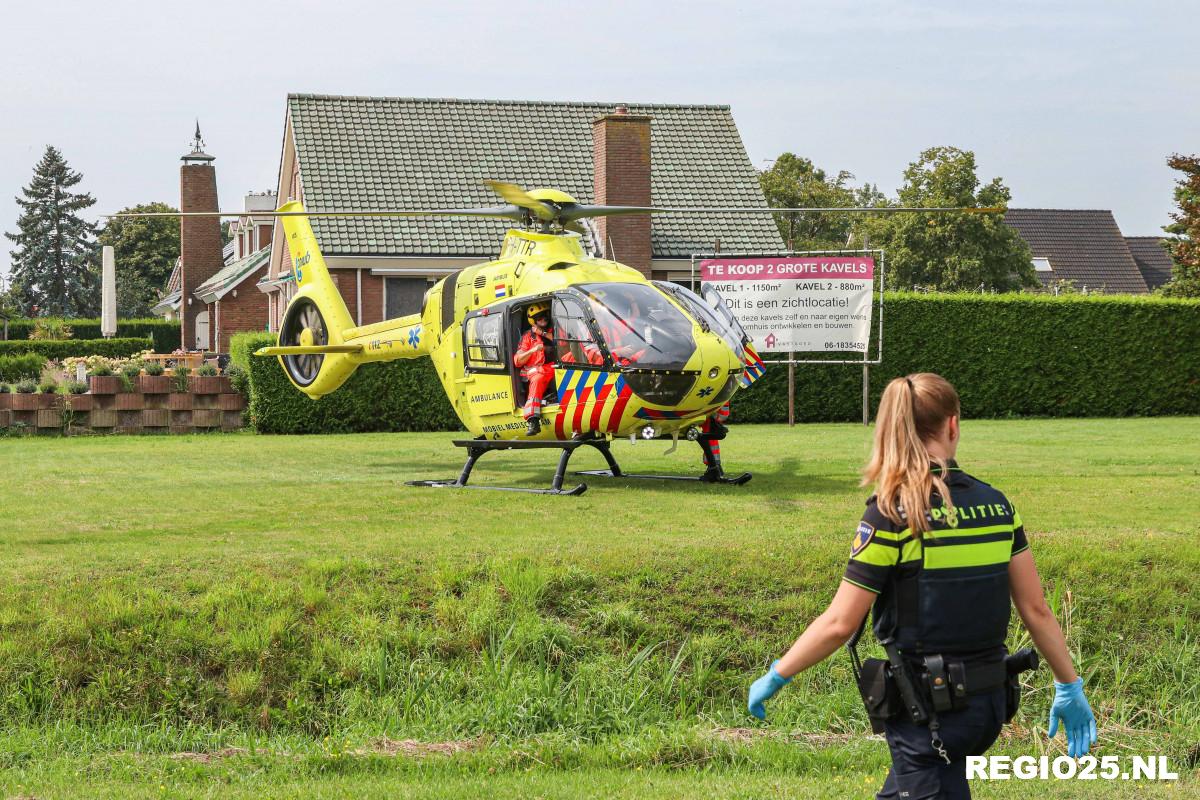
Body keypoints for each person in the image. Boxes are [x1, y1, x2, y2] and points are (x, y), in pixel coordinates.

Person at [746, 373, 1097, 800]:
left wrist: (777, 674)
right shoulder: (998, 506)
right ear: (952, 425)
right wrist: (1068, 685)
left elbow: (840, 623)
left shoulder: (893, 515)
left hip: (930, 715)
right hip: (987, 706)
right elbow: (1036, 609)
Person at [513, 301, 557, 436]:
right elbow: (518, 361)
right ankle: (533, 420)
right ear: (533, 321)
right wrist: (532, 350)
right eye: (539, 318)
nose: (543, 319)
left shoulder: (555, 330)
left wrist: (543, 333)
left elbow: (562, 342)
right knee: (537, 379)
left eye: (545, 316)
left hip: (555, 367)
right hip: (538, 372)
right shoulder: (528, 337)